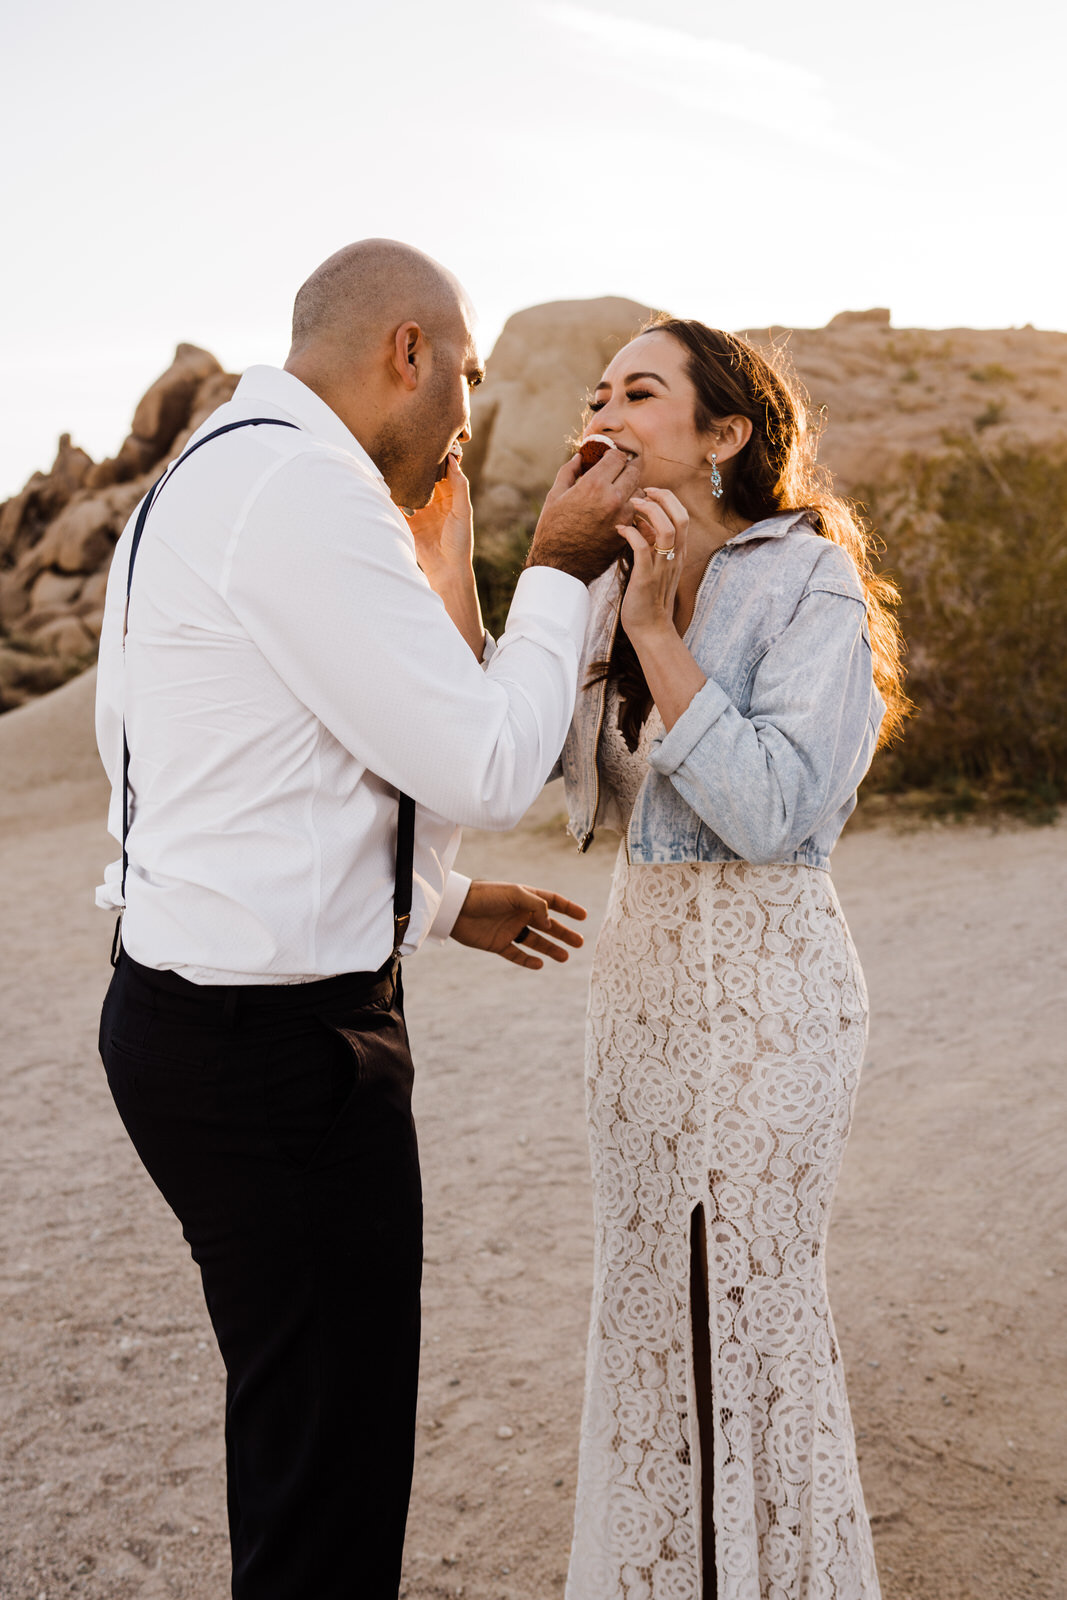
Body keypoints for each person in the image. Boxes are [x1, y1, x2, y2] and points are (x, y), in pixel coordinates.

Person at [94, 238, 642, 1600]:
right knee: (328, 1485)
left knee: (303, 1448)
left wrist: (436, 901)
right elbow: (480, 763)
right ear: (409, 351)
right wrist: (558, 566)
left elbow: (262, 769)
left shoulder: (225, 471)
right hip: (271, 1057)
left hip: (211, 1023)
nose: (466, 411)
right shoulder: (298, 490)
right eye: (463, 373)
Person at [557, 319, 907, 1599]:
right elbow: (539, 772)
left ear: (722, 435)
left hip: (769, 987)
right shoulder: (605, 575)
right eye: (594, 392)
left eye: (637, 391)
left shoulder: (804, 577)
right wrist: (511, 567)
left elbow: (772, 813)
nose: (602, 408)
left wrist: (657, 629)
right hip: (641, 987)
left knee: (745, 1315)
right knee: (650, 1308)